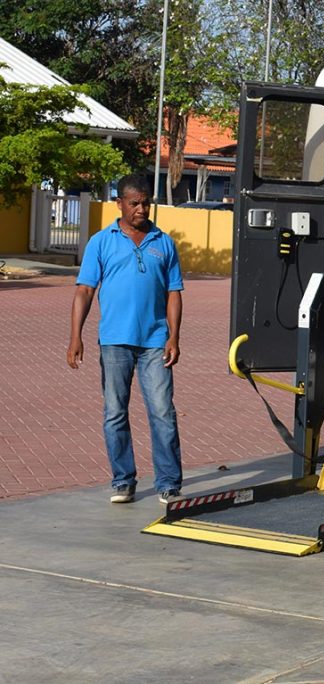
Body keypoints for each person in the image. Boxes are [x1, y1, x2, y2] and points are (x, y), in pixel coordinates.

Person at [67, 175, 186, 505]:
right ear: (119, 203)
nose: (141, 208)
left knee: (162, 412)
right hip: (114, 341)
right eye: (134, 203)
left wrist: (174, 337)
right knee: (115, 413)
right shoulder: (101, 242)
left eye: (146, 202)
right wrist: (75, 336)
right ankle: (123, 480)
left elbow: (174, 293)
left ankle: (169, 483)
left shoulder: (164, 242)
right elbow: (85, 290)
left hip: (156, 342)